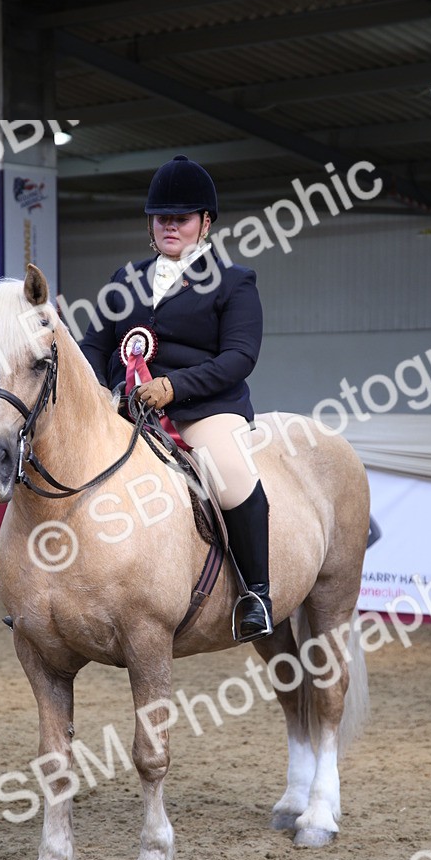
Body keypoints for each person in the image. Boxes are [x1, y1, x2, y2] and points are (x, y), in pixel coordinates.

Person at [80, 154, 273, 642]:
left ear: (205, 222)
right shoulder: (126, 280)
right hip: (130, 410)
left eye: (181, 218)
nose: (169, 226)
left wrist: (174, 387)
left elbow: (239, 357)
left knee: (230, 477)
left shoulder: (234, 280)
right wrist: (106, 389)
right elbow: (92, 347)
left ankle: (256, 594)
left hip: (202, 410)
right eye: (161, 217)